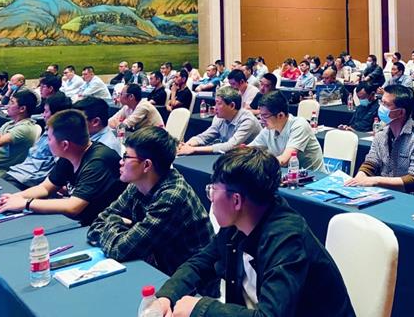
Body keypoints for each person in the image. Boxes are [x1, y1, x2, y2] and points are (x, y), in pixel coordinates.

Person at [150, 147, 354, 317]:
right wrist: (167, 296)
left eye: (213, 190)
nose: (210, 198)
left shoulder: (286, 239)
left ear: (236, 200)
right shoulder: (239, 224)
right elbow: (200, 263)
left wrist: (200, 309)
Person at [87, 127, 214, 278]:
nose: (120, 162)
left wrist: (115, 221)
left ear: (146, 165)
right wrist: (120, 228)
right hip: (157, 268)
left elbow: (119, 250)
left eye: (126, 157)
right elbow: (95, 226)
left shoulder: (171, 197)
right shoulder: (137, 184)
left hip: (187, 282)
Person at [0, 109, 125, 225]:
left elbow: (73, 207)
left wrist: (26, 203)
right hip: (82, 220)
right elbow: (45, 188)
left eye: (50, 138)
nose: (47, 142)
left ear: (65, 144)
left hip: (102, 225)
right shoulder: (71, 154)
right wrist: (15, 198)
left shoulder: (98, 161)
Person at [346, 85, 414, 199]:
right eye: (381, 102)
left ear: (400, 112)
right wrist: (360, 177)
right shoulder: (381, 134)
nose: (381, 107)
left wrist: (375, 181)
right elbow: (371, 162)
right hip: (390, 194)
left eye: (386, 104)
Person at [5, 93, 72, 189]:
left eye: (46, 111)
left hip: (28, 180)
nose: (43, 115)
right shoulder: (48, 130)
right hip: (18, 172)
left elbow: (58, 170)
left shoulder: (59, 139)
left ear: (56, 115)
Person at [250, 91, 324, 171]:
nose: (261, 120)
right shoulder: (268, 130)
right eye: (260, 115)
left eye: (265, 116)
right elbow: (249, 150)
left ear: (280, 115)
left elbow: (284, 160)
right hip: (288, 175)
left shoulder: (299, 125)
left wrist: (257, 162)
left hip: (314, 176)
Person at [179, 86, 261, 155]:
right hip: (233, 156)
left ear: (232, 106)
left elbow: (231, 146)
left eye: (219, 103)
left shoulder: (247, 120)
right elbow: (204, 137)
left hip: (252, 159)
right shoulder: (219, 118)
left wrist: (194, 149)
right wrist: (188, 145)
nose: (215, 107)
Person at [0, 90, 40, 177]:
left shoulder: (25, 128)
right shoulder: (10, 123)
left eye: (12, 102)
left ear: (22, 109)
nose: (8, 105)